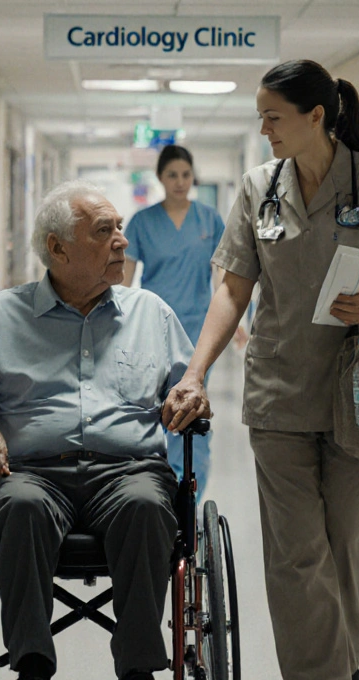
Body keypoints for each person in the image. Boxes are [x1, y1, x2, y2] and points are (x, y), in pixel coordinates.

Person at [162, 60, 359, 680]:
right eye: (260, 116)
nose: (263, 129)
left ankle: (341, 659)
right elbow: (233, 287)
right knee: (296, 551)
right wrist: (196, 370)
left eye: (273, 116)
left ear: (316, 116)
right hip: (279, 394)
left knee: (349, 538)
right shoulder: (259, 189)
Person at [0, 180, 195, 680]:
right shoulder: (2, 313)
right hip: (32, 473)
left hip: (129, 472)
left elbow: (186, 384)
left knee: (150, 507)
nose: (122, 241)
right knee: (21, 508)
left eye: (120, 228)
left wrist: (189, 397)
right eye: (105, 231)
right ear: (57, 248)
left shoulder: (150, 312)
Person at [122, 145, 240, 498]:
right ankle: (157, 488)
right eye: (172, 175)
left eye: (186, 175)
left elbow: (222, 277)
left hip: (198, 330)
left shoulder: (209, 219)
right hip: (151, 328)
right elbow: (124, 282)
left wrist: (237, 320)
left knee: (192, 408)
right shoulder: (142, 222)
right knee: (155, 408)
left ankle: (189, 494)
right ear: (160, 178)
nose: (179, 182)